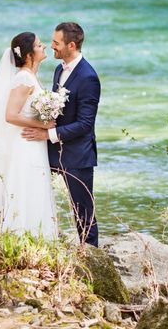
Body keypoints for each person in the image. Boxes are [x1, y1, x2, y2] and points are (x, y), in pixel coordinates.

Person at [22, 22, 101, 247]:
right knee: (35, 191)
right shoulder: (59, 69)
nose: (52, 46)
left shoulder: (88, 77)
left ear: (71, 45)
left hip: (77, 155)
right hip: (53, 151)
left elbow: (85, 124)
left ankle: (90, 255)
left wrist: (48, 135)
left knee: (83, 210)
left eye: (56, 43)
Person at [0, 32, 58, 239]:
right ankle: (19, 232)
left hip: (33, 141)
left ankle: (35, 233)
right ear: (29, 55)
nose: (45, 47)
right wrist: (42, 125)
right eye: (40, 46)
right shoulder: (23, 78)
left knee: (33, 182)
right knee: (25, 182)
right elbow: (10, 115)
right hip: (26, 141)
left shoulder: (30, 76)